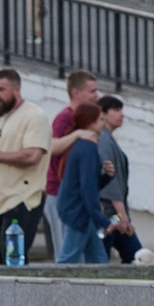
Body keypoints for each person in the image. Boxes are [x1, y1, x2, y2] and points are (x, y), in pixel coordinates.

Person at [0, 66, 51, 263]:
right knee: (2, 264)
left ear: (17, 89)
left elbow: (33, 156)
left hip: (22, 200)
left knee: (14, 263)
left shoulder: (34, 116)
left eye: (1, 90)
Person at [44, 70, 109, 252]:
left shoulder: (87, 118)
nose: (96, 96)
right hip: (60, 193)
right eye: (92, 91)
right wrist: (77, 134)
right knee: (67, 252)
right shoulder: (65, 117)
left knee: (91, 254)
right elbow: (52, 147)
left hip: (79, 196)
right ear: (76, 92)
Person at [51, 104, 110, 264]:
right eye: (100, 120)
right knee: (68, 259)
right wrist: (101, 218)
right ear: (90, 122)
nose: (103, 123)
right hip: (79, 212)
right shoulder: (87, 147)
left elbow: (88, 183)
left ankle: (103, 288)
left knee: (98, 260)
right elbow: (87, 187)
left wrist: (107, 177)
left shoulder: (82, 145)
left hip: (80, 211)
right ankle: (51, 289)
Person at [96, 96, 138, 262]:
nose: (121, 114)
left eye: (121, 110)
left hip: (114, 213)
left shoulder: (108, 139)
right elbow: (110, 181)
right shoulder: (104, 140)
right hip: (109, 214)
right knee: (135, 256)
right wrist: (123, 215)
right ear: (103, 113)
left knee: (134, 256)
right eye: (116, 110)